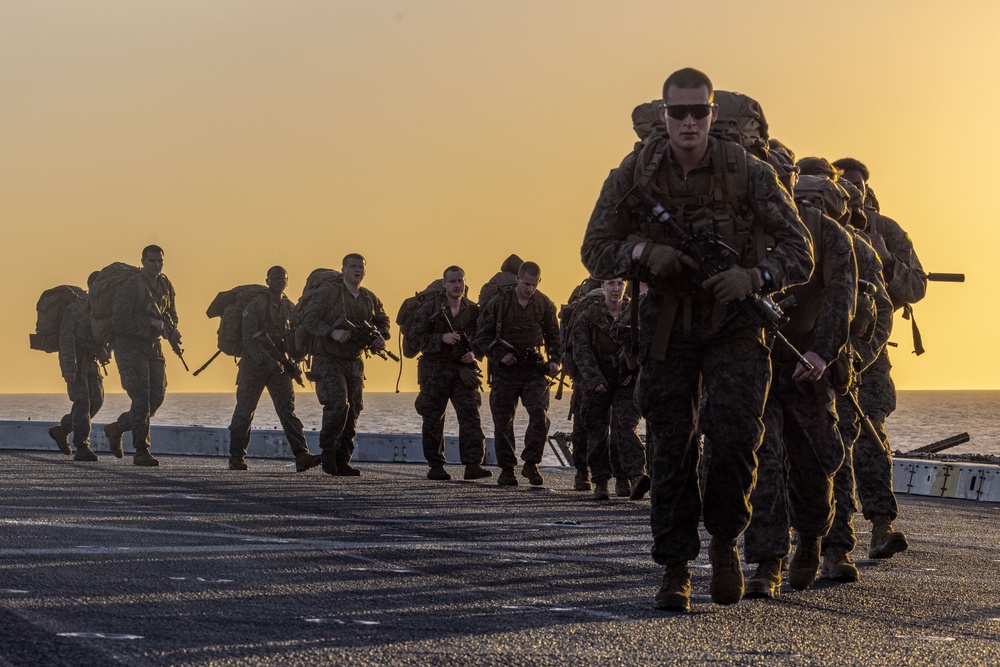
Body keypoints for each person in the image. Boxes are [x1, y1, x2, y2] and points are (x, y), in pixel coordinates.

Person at [581, 67, 813, 611]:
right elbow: (594, 249)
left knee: (733, 439)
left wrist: (756, 278)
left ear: (711, 114)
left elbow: (799, 248)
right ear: (664, 116)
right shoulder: (634, 173)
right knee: (669, 444)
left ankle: (727, 543)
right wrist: (643, 255)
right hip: (666, 327)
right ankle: (676, 566)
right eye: (678, 112)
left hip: (735, 323)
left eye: (698, 112)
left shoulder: (748, 172)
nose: (688, 122)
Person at [743, 171, 857, 598]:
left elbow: (840, 297)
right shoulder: (750, 225)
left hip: (807, 364)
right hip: (756, 362)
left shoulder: (829, 235)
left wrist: (822, 353)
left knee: (816, 460)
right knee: (764, 458)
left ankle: (811, 537)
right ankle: (767, 560)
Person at [833, 157, 926, 560]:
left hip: (869, 354)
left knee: (871, 435)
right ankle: (823, 532)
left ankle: (880, 526)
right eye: (844, 185)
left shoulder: (886, 231)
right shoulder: (817, 225)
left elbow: (917, 287)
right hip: (820, 350)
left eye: (858, 185)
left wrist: (888, 260)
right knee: (825, 439)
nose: (854, 193)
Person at [823, 178, 894, 582]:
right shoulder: (788, 237)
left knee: (862, 443)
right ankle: (784, 546)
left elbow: (902, 292)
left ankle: (868, 531)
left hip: (859, 364)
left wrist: (855, 360)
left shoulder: (877, 241)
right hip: (797, 364)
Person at [301, 253, 390, 477]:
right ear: (343, 270)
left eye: (361, 267)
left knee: (355, 408)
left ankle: (343, 459)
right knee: (338, 404)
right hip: (328, 358)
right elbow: (309, 319)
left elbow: (383, 319)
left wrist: (381, 336)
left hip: (354, 360)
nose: (357, 270)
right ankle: (329, 453)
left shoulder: (368, 297)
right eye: (352, 266)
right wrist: (332, 331)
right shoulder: (328, 293)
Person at [227, 267, 323, 472]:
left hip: (280, 367)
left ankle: (301, 454)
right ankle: (236, 456)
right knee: (244, 410)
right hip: (253, 366)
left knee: (288, 411)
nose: (279, 282)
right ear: (267, 280)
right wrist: (266, 360)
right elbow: (248, 339)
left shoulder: (289, 307)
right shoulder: (256, 305)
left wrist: (295, 364)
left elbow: (293, 338)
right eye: (275, 278)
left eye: (283, 279)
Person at [475, 261, 561, 487]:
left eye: (533, 284)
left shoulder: (544, 304)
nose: (529, 289)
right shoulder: (499, 303)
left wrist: (554, 361)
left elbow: (554, 336)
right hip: (505, 371)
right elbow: (481, 338)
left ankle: (531, 463)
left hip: (534, 371)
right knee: (502, 421)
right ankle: (507, 469)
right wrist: (500, 356)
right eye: (525, 284)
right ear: (517, 279)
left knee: (540, 416)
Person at [570, 277, 649, 501]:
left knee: (626, 426)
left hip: (627, 381)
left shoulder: (636, 315)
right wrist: (595, 380)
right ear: (602, 287)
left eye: (620, 284)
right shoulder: (588, 317)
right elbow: (581, 352)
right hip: (598, 382)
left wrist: (636, 374)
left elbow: (646, 346)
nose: (616, 289)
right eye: (610, 284)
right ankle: (600, 481)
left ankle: (634, 477)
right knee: (597, 430)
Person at [409, 266, 491, 481]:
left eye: (460, 281)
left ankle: (473, 464)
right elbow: (414, 339)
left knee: (471, 415)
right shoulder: (430, 309)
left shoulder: (473, 310)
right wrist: (440, 339)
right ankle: (436, 465)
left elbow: (484, 339)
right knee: (433, 418)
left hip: (463, 371)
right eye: (452, 281)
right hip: (434, 370)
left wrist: (473, 354)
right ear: (444, 284)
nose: (457, 286)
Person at [104, 245, 180, 467]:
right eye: (151, 261)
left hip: (153, 347)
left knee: (156, 397)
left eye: (159, 261)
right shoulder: (131, 286)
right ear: (143, 261)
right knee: (141, 398)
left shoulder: (165, 285)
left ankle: (116, 428)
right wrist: (149, 322)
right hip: (130, 348)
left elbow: (172, 313)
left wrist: (171, 328)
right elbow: (119, 321)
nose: (156, 265)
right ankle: (141, 450)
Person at [48, 271, 108, 462]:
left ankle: (63, 429)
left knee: (97, 400)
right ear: (92, 286)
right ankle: (82, 446)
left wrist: (105, 351)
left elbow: (100, 335)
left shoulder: (101, 309)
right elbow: (65, 338)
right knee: (82, 401)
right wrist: (70, 367)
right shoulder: (75, 308)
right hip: (76, 361)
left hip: (91, 361)